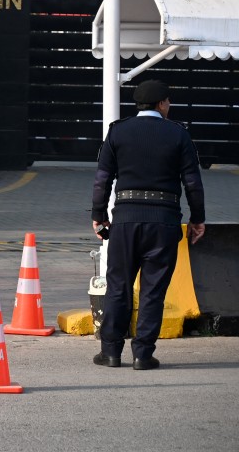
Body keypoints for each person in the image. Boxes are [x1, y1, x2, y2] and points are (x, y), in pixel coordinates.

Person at [91, 79, 206, 370]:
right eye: (168, 102)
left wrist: (99, 214)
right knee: (153, 290)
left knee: (118, 287)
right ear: (161, 104)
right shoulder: (178, 134)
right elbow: (192, 181)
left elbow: (102, 178)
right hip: (164, 222)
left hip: (126, 220)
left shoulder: (118, 131)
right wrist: (197, 218)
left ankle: (111, 352)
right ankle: (142, 354)